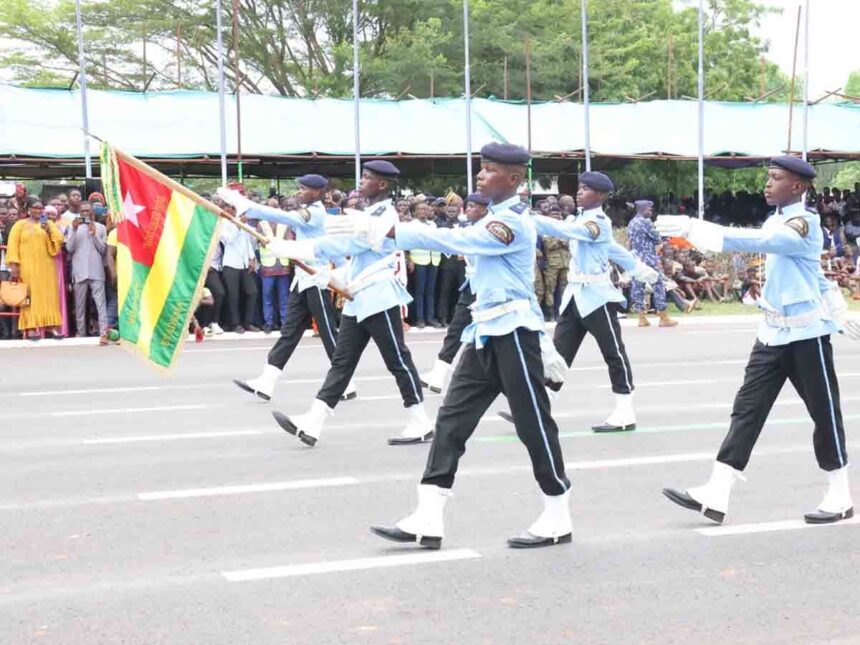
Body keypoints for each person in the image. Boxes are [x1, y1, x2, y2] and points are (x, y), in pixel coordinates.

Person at [364, 143, 573, 549]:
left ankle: (557, 512)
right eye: (481, 168)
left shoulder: (511, 222)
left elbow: (458, 241)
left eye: (489, 169)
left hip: (514, 333)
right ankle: (427, 515)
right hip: (484, 333)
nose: (480, 175)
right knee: (451, 421)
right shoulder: (494, 216)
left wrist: (395, 231)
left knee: (533, 424)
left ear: (513, 179)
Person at [659, 156, 859, 525]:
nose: (767, 184)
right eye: (768, 177)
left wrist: (702, 229)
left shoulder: (804, 223)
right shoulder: (775, 219)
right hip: (771, 333)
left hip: (806, 334)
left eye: (776, 178)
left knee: (824, 413)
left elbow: (769, 242)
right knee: (747, 410)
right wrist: (835, 305)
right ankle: (717, 490)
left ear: (797, 186)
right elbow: (810, 273)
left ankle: (839, 493)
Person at [256, 161, 431, 446]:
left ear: (382, 184)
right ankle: (314, 420)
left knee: (397, 360)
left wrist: (292, 248)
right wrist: (331, 276)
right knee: (342, 362)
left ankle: (420, 420)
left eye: (367, 177)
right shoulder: (367, 213)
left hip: (378, 296)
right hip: (357, 298)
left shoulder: (384, 215)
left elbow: (347, 246)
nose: (361, 181)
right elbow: (358, 259)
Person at [524, 172, 657, 433]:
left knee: (613, 354)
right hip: (575, 296)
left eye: (585, 189)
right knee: (559, 354)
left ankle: (624, 412)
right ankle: (540, 406)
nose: (579, 192)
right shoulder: (582, 218)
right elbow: (612, 249)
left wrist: (531, 218)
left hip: (597, 297)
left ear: (601, 195)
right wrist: (640, 269)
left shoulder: (597, 223)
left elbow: (566, 231)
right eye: (580, 187)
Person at [220, 175, 356, 403]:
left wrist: (248, 206)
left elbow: (285, 217)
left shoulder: (314, 213)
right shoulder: (309, 212)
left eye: (303, 188)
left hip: (316, 280)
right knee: (289, 334)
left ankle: (346, 383)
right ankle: (267, 381)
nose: (299, 192)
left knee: (328, 334)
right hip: (302, 281)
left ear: (316, 192)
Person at [420, 193, 490, 395]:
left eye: (473, 206)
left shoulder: (488, 229)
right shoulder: (470, 228)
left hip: (489, 288)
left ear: (484, 210)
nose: (467, 210)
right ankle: (439, 372)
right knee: (456, 329)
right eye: (467, 206)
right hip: (472, 286)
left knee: (497, 336)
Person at [5, 196, 65, 339]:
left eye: (40, 208)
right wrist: (14, 265)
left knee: (49, 295)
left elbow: (59, 240)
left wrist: (49, 230)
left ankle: (51, 326)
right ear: (28, 209)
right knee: (30, 295)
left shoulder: (48, 223)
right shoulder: (20, 225)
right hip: (27, 266)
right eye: (35, 208)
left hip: (47, 266)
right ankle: (31, 327)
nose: (38, 210)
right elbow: (12, 245)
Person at [627, 199, 677, 327]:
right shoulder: (646, 222)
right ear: (644, 209)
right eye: (650, 209)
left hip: (635, 259)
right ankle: (663, 316)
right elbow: (657, 239)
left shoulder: (631, 223)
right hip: (648, 258)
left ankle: (641, 317)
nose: (651, 212)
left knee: (638, 286)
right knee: (658, 284)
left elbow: (630, 242)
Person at [65, 201, 109, 342]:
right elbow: (69, 248)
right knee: (79, 305)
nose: (85, 213)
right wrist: (74, 229)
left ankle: (104, 333)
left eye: (87, 211)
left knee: (100, 304)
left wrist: (94, 234)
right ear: (79, 212)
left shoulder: (101, 227)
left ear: (92, 212)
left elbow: (103, 250)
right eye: (82, 211)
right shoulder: (72, 227)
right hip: (79, 271)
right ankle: (81, 332)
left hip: (96, 270)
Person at [220, 203, 260, 333]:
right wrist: (238, 224)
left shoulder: (241, 223)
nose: (230, 210)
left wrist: (252, 258)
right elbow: (228, 239)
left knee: (252, 292)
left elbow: (247, 242)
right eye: (227, 207)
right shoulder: (222, 224)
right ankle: (235, 324)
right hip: (230, 264)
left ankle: (248, 322)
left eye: (233, 207)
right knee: (233, 296)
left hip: (244, 263)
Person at [408, 200, 443, 328]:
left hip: (434, 259)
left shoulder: (432, 224)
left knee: (431, 290)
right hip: (419, 260)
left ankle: (430, 318)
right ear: (415, 212)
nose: (423, 211)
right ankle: (420, 319)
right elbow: (408, 243)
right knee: (419, 291)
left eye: (425, 209)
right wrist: (409, 259)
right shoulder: (411, 225)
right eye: (420, 209)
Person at [256, 211, 293, 334]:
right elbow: (261, 242)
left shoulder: (285, 224)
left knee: (284, 297)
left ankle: (284, 323)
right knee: (267, 297)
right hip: (267, 267)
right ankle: (268, 323)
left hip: (283, 267)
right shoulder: (261, 225)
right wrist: (279, 243)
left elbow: (290, 241)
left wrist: (274, 243)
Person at [541, 208, 570, 321]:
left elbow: (569, 243)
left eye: (559, 216)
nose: (557, 218)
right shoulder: (546, 230)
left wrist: (561, 240)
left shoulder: (565, 229)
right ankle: (550, 313)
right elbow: (549, 245)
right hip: (552, 264)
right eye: (554, 216)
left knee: (565, 289)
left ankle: (563, 312)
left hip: (565, 263)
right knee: (550, 289)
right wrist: (560, 240)